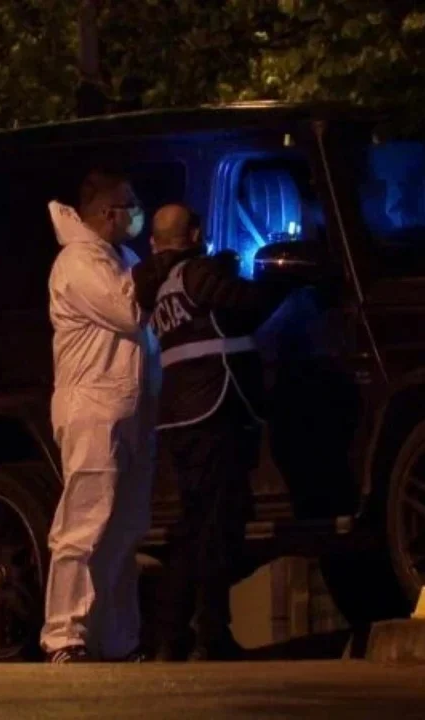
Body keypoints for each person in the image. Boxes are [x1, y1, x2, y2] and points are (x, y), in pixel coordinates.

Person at [132, 204, 289, 661]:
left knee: (193, 525)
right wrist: (288, 281)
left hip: (181, 417)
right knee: (217, 526)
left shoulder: (158, 286)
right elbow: (249, 304)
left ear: (155, 242)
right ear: (196, 234)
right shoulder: (197, 273)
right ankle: (211, 634)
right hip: (213, 410)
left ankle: (173, 635)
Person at [42, 170, 156, 663]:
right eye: (130, 205)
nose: (136, 213)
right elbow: (129, 311)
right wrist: (163, 266)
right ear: (107, 213)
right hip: (92, 407)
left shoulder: (120, 258)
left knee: (124, 529)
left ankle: (116, 639)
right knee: (84, 525)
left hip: (130, 409)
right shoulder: (77, 262)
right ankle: (64, 634)